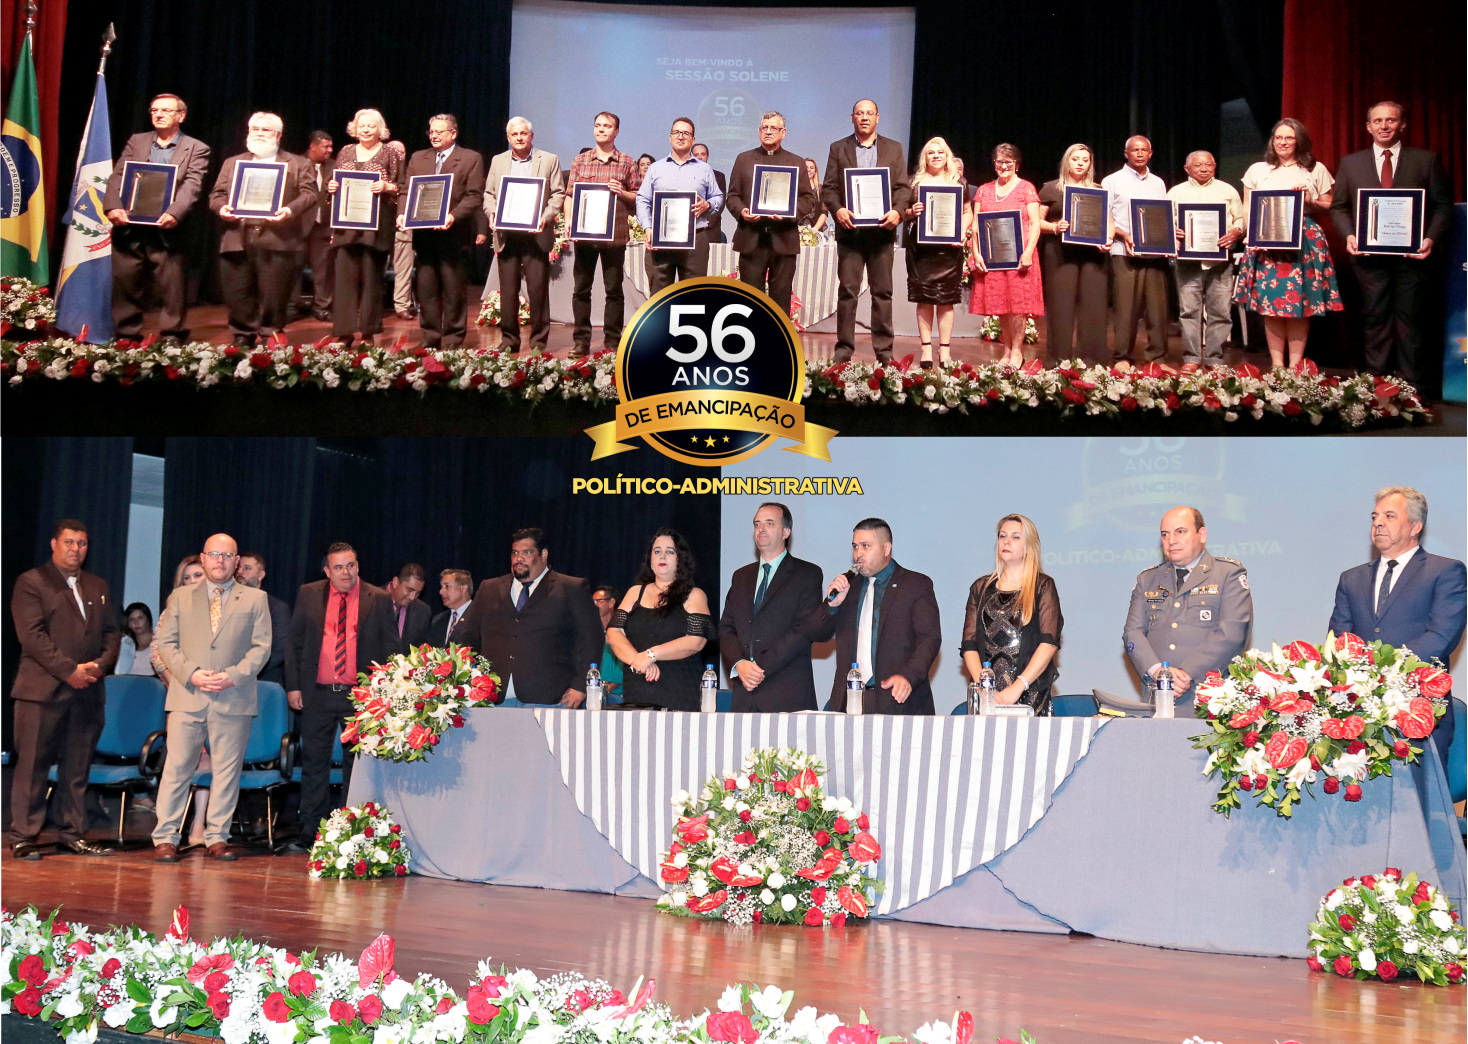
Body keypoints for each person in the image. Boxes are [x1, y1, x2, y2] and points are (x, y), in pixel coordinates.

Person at [151, 533, 272, 863]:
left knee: (227, 771)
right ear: (202, 559)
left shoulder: (254, 600)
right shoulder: (180, 597)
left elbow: (262, 648)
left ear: (236, 563)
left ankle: (217, 836)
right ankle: (166, 838)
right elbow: (166, 645)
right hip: (188, 693)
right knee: (177, 768)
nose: (220, 560)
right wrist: (192, 674)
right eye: (214, 554)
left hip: (233, 694)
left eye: (227, 555)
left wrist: (232, 676)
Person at [8, 519, 120, 860]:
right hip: (42, 692)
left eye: (82, 543)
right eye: (69, 542)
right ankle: (24, 836)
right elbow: (32, 637)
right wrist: (69, 671)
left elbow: (113, 633)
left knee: (77, 768)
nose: (76, 549)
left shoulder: (97, 585)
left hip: (87, 693)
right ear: (54, 544)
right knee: (33, 767)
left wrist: (99, 667)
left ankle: (73, 833)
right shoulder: (31, 582)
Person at [1327, 486, 1465, 762]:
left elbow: (1441, 637)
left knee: (1419, 804)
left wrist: (1384, 672)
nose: (1378, 523)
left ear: (1415, 526)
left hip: (1421, 712)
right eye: (1375, 516)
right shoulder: (1351, 579)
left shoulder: (1445, 572)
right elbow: (1340, 641)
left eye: (1390, 516)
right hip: (1359, 716)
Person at [1330, 101, 1455, 391]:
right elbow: (1338, 207)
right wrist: (1349, 235)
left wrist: (1430, 239)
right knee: (1375, 318)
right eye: (1378, 121)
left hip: (1413, 256)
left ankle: (1412, 386)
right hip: (1368, 257)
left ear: (1402, 125)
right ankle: (1377, 382)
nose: (1384, 126)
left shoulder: (1426, 160)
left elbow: (1443, 206)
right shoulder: (1351, 163)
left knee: (1411, 320)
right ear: (1368, 127)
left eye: (1390, 120)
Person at [282, 542, 393, 852]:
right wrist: (293, 686)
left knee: (356, 767)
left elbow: (390, 648)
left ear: (358, 565)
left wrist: (383, 694)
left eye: (352, 565)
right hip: (317, 694)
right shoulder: (308, 594)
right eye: (340, 567)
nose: (347, 572)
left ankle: (348, 828)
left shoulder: (379, 598)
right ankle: (311, 829)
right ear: (327, 571)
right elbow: (294, 644)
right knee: (314, 764)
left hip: (360, 697)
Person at [1233, 118, 1343, 370]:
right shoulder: (1257, 169)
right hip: (1265, 242)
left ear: (1299, 141)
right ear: (1272, 140)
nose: (1283, 142)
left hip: (1303, 241)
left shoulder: (1315, 169)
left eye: (1289, 137)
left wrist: (1308, 199)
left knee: (1299, 302)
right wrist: (1250, 235)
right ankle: (1276, 365)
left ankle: (1295, 365)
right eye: (1278, 137)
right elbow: (1249, 207)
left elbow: (1329, 206)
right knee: (1270, 304)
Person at [103, 94, 211, 344]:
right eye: (154, 110)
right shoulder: (137, 141)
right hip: (130, 227)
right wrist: (112, 208)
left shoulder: (196, 147)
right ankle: (126, 333)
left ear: (180, 116)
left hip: (169, 230)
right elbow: (117, 176)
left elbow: (193, 185)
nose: (158, 114)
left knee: (172, 288)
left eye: (165, 110)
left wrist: (175, 212)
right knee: (126, 282)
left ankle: (172, 333)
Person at [207, 112, 317, 347]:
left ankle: (271, 334)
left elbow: (310, 194)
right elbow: (216, 196)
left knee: (274, 294)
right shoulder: (232, 162)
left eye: (265, 129)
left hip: (278, 238)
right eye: (254, 128)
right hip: (237, 236)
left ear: (278, 135)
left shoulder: (299, 163)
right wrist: (222, 208)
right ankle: (242, 335)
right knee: (237, 292)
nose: (258, 133)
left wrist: (288, 210)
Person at [1123, 506, 1252, 706]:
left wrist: (1185, 675)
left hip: (1210, 701)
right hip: (1157, 698)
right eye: (1165, 534)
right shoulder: (1147, 579)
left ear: (1202, 534)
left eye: (1180, 532)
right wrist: (1160, 673)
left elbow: (1232, 633)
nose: (1171, 540)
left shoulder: (1228, 573)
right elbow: (1132, 633)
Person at [813, 518, 940, 714]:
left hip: (897, 701)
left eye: (866, 546)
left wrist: (908, 676)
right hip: (851, 699)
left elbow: (929, 639)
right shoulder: (848, 588)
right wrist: (832, 606)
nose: (858, 554)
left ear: (886, 548)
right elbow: (818, 634)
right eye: (855, 547)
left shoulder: (915, 585)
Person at [822, 99, 912, 365]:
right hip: (850, 234)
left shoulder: (893, 148)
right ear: (852, 117)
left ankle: (884, 351)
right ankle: (844, 348)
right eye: (859, 113)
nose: (864, 118)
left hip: (882, 234)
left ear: (878, 118)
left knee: (882, 292)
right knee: (847, 292)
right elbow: (828, 188)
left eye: (869, 113)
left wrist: (897, 211)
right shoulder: (838, 148)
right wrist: (837, 210)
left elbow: (903, 188)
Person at [468, 528, 603, 706]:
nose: (519, 559)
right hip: (493, 697)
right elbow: (469, 636)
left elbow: (592, 640)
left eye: (527, 552)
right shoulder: (489, 588)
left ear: (544, 554)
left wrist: (580, 686)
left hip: (549, 698)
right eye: (515, 553)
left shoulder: (571, 588)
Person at [718, 502, 826, 712]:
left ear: (786, 531)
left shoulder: (807, 574)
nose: (761, 529)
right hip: (744, 695)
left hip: (786, 692)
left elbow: (803, 630)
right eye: (757, 524)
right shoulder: (741, 576)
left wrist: (758, 669)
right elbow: (726, 628)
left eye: (769, 523)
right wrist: (740, 664)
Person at [960, 515, 1063, 715]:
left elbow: (1049, 642)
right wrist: (985, 688)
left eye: (1016, 537)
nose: (1006, 541)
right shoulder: (981, 588)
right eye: (1002, 536)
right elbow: (969, 644)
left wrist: (1018, 687)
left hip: (1028, 693)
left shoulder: (1042, 586)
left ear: (1029, 546)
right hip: (987, 696)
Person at [400, 115, 485, 349]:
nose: (434, 135)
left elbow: (474, 195)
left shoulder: (470, 158)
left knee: (453, 291)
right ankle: (430, 337)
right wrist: (402, 213)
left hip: (455, 235)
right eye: (431, 132)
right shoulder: (419, 158)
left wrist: (453, 215)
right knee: (426, 289)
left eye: (440, 131)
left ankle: (453, 339)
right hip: (425, 235)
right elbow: (406, 191)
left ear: (453, 133)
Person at [606, 529, 714, 711]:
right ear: (650, 559)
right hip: (637, 692)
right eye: (657, 551)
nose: (662, 556)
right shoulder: (635, 592)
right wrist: (637, 660)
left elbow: (696, 640)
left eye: (670, 551)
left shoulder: (693, 595)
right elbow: (613, 633)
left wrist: (651, 655)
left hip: (678, 693)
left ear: (680, 559)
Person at [724, 112, 819, 318]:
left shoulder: (796, 162)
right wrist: (742, 211)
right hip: (752, 238)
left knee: (781, 297)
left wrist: (789, 214)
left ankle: (778, 344)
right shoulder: (744, 159)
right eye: (764, 128)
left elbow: (807, 199)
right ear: (759, 131)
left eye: (773, 128)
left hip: (783, 238)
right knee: (750, 300)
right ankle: (752, 346)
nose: (768, 132)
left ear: (783, 133)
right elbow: (732, 196)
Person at [562, 111, 640, 358]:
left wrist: (623, 192)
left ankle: (612, 343)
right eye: (597, 125)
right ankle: (581, 342)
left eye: (607, 126)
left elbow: (639, 198)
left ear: (616, 131)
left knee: (613, 291)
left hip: (614, 236)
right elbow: (570, 195)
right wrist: (569, 220)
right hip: (585, 236)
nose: (601, 130)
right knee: (581, 290)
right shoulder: (581, 160)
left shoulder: (627, 162)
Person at [484, 117, 564, 354]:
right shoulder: (498, 161)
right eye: (514, 135)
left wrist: (545, 217)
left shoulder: (549, 159)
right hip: (507, 235)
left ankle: (538, 342)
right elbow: (489, 194)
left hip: (535, 235)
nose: (519, 138)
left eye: (523, 134)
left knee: (538, 291)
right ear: (508, 138)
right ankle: (509, 341)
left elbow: (558, 194)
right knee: (508, 292)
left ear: (531, 136)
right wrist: (492, 212)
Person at [328, 109, 401, 348]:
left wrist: (387, 186)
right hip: (346, 225)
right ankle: (344, 333)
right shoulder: (345, 151)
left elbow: (401, 187)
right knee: (344, 282)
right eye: (362, 125)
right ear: (354, 128)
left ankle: (368, 334)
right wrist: (331, 187)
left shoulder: (390, 152)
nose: (366, 129)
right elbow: (337, 185)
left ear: (380, 129)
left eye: (371, 126)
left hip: (376, 227)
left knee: (371, 281)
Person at [1166, 151, 1244, 374]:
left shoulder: (1227, 190)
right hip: (1187, 262)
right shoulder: (1176, 193)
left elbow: (1240, 220)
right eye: (1198, 165)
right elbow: (1164, 220)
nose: (1203, 168)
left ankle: (1214, 358)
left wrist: (1236, 232)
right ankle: (1191, 357)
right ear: (1186, 168)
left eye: (1208, 164)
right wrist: (1173, 230)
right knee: (1189, 311)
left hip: (1220, 261)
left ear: (1215, 166)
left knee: (1220, 311)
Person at [968, 144, 1043, 368]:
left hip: (1021, 258)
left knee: (1017, 307)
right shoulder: (983, 190)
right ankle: (1007, 350)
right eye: (999, 162)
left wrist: (1028, 252)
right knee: (1001, 306)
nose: (1003, 166)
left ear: (1017, 164)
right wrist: (976, 252)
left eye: (1008, 162)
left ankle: (1018, 353)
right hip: (994, 259)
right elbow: (975, 226)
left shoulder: (1026, 188)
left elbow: (1036, 224)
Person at [1038, 144, 1113, 363]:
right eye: (1075, 159)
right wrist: (1054, 227)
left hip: (1093, 254)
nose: (1080, 163)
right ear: (1066, 162)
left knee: (1094, 307)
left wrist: (1107, 240)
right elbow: (1036, 222)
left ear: (1090, 164)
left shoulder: (1098, 190)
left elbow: (1108, 221)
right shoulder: (1051, 188)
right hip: (1060, 253)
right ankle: (1058, 360)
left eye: (1085, 160)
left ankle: (1092, 362)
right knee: (1061, 307)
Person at [903, 136, 972, 368]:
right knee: (923, 298)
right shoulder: (913, 182)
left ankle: (944, 351)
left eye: (940, 152)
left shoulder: (958, 182)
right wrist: (912, 211)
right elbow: (901, 212)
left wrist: (961, 231)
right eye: (931, 152)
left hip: (949, 250)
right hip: (920, 250)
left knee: (945, 300)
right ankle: (925, 350)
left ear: (947, 157)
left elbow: (967, 212)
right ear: (925, 157)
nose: (936, 156)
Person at [1101, 136, 1171, 366]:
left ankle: (1157, 358)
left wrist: (1170, 239)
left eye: (1144, 150)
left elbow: (1161, 216)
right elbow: (1105, 215)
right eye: (1135, 150)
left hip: (1155, 253)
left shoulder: (1159, 183)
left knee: (1157, 308)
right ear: (1126, 153)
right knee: (1125, 307)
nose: (1139, 154)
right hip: (1124, 250)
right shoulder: (1111, 181)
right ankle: (1123, 356)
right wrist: (1123, 234)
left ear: (1150, 153)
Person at [636, 117, 722, 292]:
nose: (681, 136)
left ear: (693, 140)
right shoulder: (655, 168)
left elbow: (718, 197)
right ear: (670, 137)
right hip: (660, 239)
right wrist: (647, 227)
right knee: (659, 296)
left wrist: (708, 205)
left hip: (695, 238)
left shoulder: (705, 169)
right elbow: (642, 199)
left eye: (686, 133)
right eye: (676, 132)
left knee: (692, 295)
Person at [234, 551, 291, 685]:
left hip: (263, 681)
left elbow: (279, 651)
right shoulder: (225, 604)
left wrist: (243, 671)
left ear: (261, 575)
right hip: (229, 681)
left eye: (247, 568)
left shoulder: (277, 608)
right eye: (238, 567)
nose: (240, 572)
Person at [297, 130, 335, 321]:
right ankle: (290, 307)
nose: (330, 150)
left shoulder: (335, 167)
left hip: (324, 227)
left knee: (323, 271)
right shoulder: (295, 163)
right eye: (325, 146)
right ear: (313, 146)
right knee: (293, 269)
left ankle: (322, 307)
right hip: (298, 227)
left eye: (331, 146)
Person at [382, 563, 432, 654]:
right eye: (409, 590)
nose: (412, 597)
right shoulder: (372, 600)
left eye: (418, 593)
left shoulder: (423, 611)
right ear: (396, 582)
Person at [591, 584, 625, 699]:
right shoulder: (590, 632)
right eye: (592, 602)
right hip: (592, 691)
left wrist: (606, 690)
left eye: (598, 601)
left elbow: (625, 665)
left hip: (616, 693)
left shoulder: (623, 631)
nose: (594, 605)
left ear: (611, 603)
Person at [691, 143, 728, 243]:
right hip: (688, 228)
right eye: (696, 154)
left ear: (707, 157)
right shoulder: (684, 176)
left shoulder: (719, 176)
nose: (699, 157)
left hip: (711, 227)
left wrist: (705, 221)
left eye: (702, 154)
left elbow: (720, 203)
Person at [431, 568, 476, 648]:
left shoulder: (479, 617)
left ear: (463, 589)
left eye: (447, 586)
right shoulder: (438, 620)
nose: (441, 591)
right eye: (441, 587)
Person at [117, 603, 159, 676]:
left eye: (140, 618)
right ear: (128, 624)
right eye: (131, 619)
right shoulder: (125, 644)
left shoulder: (160, 641)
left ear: (148, 620)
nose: (136, 623)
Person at [803, 158, 828, 235]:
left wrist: (813, 231)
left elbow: (824, 212)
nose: (809, 170)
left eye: (811, 168)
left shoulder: (821, 189)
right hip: (797, 228)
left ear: (815, 171)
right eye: (806, 167)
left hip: (815, 228)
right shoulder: (795, 187)